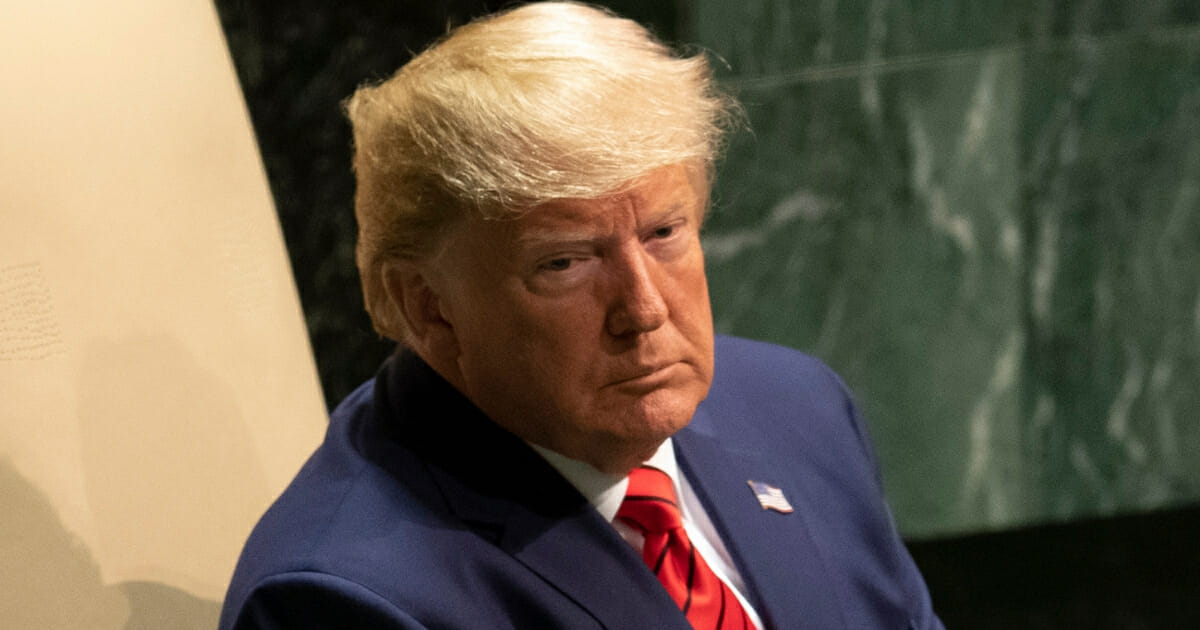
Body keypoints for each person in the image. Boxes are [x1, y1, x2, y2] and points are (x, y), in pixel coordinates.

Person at [220, 2, 943, 628]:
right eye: (566, 263)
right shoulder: (345, 598)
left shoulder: (799, 409)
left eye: (664, 233)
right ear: (430, 307)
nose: (645, 309)